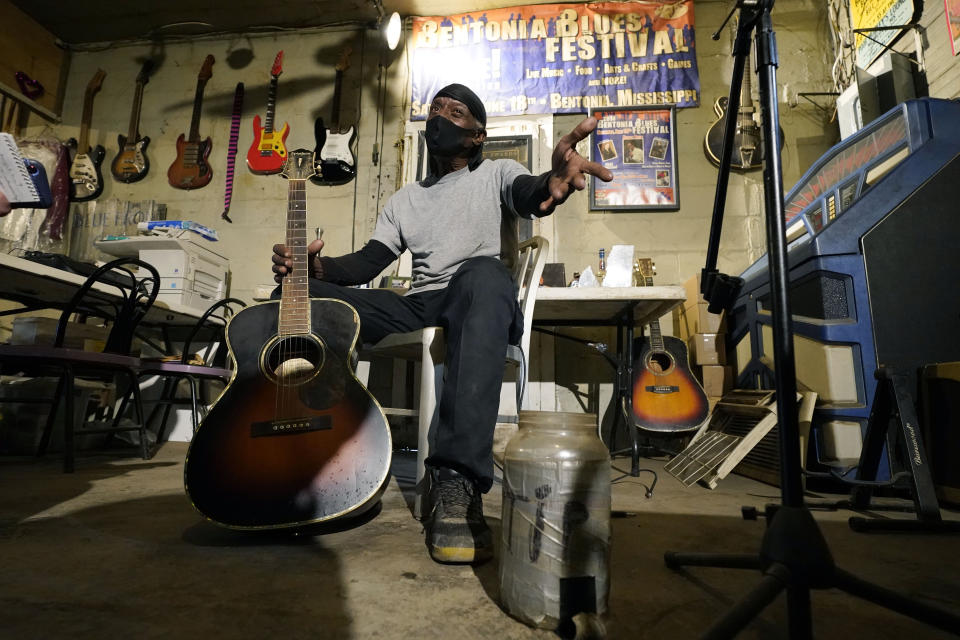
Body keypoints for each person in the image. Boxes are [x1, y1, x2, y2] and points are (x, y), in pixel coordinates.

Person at [272, 83, 612, 565]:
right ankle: (302, 444)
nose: (439, 117)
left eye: (455, 112)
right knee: (295, 294)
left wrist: (551, 181)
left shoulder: (497, 171)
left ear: (476, 136)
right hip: (418, 301)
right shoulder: (404, 200)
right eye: (434, 109)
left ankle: (457, 482)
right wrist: (311, 270)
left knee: (486, 273)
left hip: (475, 295)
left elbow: (530, 193)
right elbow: (368, 263)